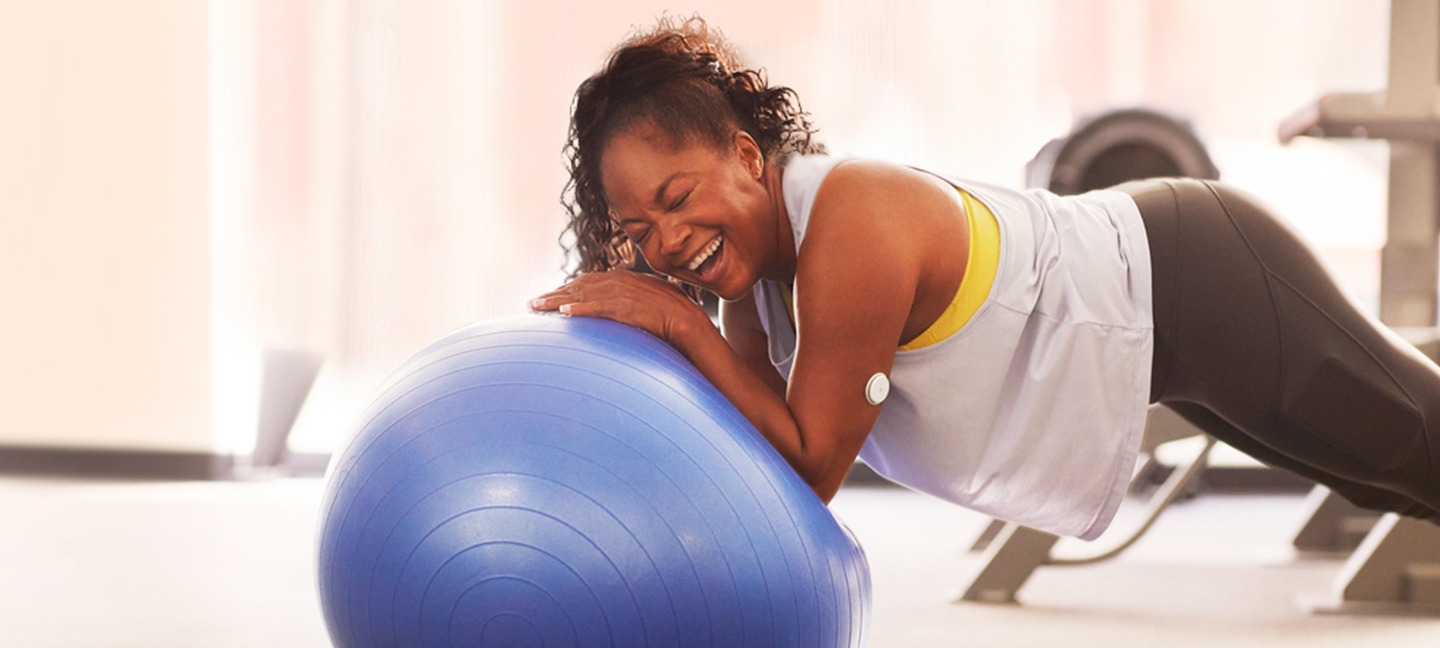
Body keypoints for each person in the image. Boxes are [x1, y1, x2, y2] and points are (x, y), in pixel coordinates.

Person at [531, 16, 1440, 539]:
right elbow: (759, 446)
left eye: (679, 197)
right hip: (1169, 333)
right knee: (1383, 481)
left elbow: (809, 463)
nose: (668, 242)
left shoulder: (849, 225)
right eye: (638, 232)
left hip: (1201, 274)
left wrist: (675, 324)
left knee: (1416, 446)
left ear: (742, 155)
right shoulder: (760, 293)